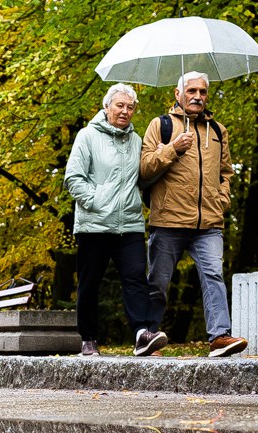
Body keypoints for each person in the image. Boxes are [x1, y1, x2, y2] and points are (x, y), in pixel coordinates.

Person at [140, 71, 248, 358]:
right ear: (178, 94)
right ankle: (149, 337)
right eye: (191, 91)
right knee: (158, 282)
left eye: (202, 91)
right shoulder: (160, 125)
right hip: (168, 219)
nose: (197, 96)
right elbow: (144, 168)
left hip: (209, 221)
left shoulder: (217, 130)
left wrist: (221, 199)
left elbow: (226, 172)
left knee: (213, 275)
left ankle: (219, 337)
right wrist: (173, 148)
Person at [65, 83, 169, 357]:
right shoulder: (87, 136)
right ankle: (88, 338)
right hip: (94, 224)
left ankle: (141, 334)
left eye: (130, 107)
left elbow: (145, 179)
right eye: (119, 105)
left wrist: (160, 156)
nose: (125, 111)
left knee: (135, 279)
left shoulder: (138, 142)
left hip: (130, 224)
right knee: (90, 282)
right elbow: (73, 179)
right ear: (107, 107)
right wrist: (98, 202)